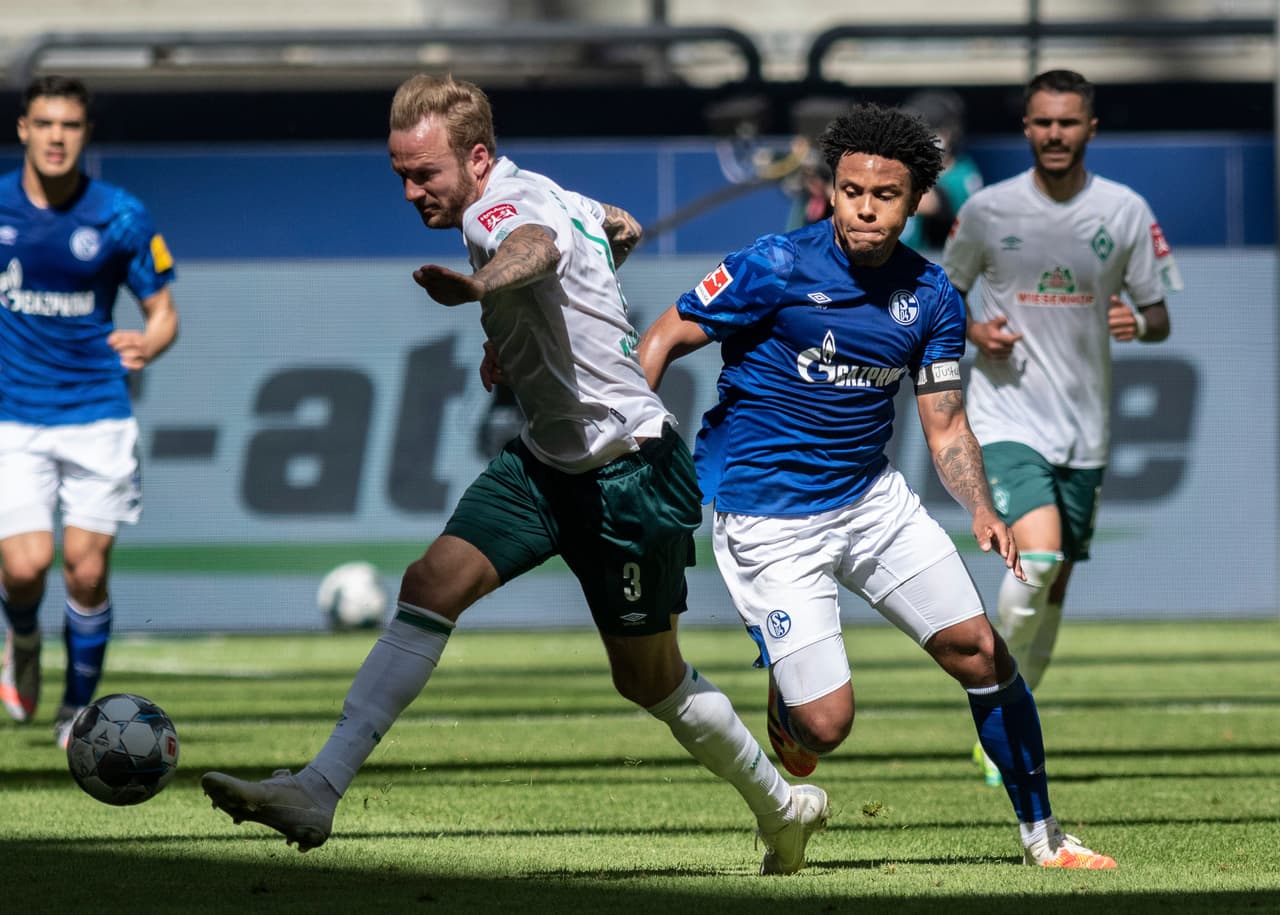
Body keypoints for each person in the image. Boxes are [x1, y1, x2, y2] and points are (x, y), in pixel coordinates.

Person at [201, 74, 828, 876]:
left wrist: (481, 289)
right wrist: (525, 326)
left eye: (423, 173)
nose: (409, 190)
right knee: (431, 583)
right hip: (544, 464)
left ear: (477, 158)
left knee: (648, 678)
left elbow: (530, 248)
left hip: (628, 474)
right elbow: (615, 226)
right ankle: (319, 787)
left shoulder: (501, 212)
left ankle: (782, 807)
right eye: (399, 172)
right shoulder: (540, 191)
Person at [637, 101, 1116, 869]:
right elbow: (664, 334)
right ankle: (791, 708)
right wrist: (633, 437)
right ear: (833, 186)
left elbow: (948, 423)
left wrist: (983, 508)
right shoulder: (774, 264)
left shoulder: (930, 298)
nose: (863, 205)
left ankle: (1044, 839)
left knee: (983, 653)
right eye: (850, 189)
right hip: (768, 520)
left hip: (871, 504)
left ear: (916, 199)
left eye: (883, 194)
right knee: (824, 730)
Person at [940, 70, 1181, 787]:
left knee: (1056, 585)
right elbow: (940, 298)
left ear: (1090, 129)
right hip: (1006, 416)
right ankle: (995, 706)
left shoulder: (1126, 211)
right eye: (1042, 123)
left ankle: (1010, 717)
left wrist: (1138, 321)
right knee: (1037, 556)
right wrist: (972, 329)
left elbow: (1160, 314)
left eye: (1068, 123)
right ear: (1026, 128)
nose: (1054, 135)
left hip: (1087, 429)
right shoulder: (986, 211)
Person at [0, 75, 179, 747]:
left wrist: (148, 342)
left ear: (85, 134)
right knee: (23, 565)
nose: (55, 137)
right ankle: (21, 637)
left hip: (98, 414)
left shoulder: (120, 215)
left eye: (69, 125)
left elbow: (163, 313)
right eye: (44, 123)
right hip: (13, 418)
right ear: (23, 129)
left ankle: (77, 707)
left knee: (86, 566)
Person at [897, 89, 983, 251]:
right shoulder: (906, 167)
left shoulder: (963, 174)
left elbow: (931, 202)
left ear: (947, 134)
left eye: (924, 132)